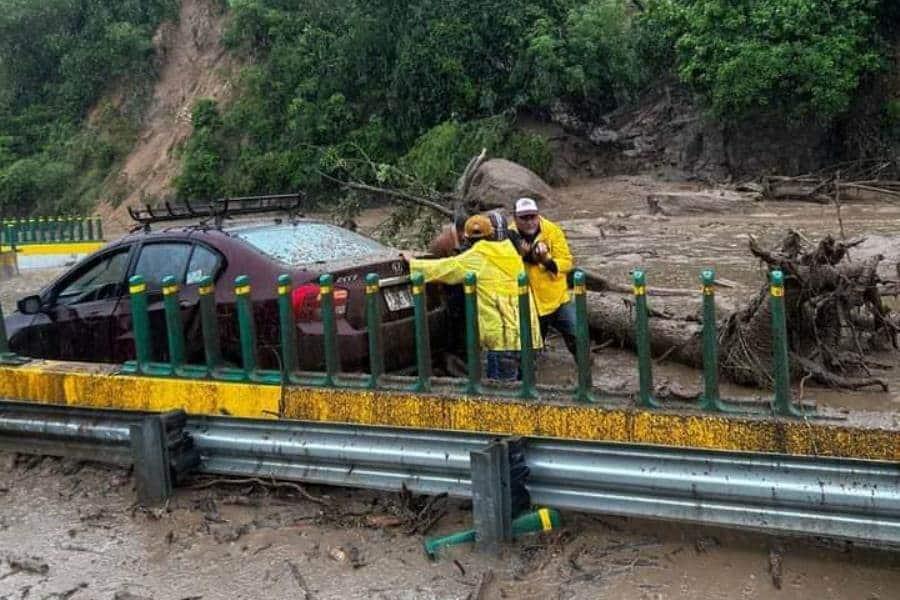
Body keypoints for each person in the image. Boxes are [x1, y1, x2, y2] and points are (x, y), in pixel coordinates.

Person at [404, 214, 542, 381]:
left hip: (503, 339)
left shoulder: (477, 255)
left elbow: (445, 268)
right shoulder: (509, 250)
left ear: (467, 238)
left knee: (502, 396)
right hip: (530, 335)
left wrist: (413, 263)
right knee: (526, 392)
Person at [507, 197, 577, 357]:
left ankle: (586, 375)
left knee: (578, 337)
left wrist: (547, 261)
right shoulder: (509, 236)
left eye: (532, 216)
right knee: (530, 351)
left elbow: (567, 262)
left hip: (558, 299)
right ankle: (526, 378)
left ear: (538, 215)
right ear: (515, 218)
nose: (529, 221)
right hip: (529, 303)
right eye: (524, 218)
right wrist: (521, 256)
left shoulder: (552, 231)